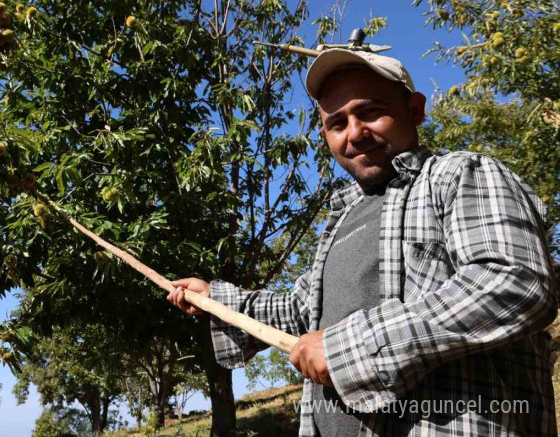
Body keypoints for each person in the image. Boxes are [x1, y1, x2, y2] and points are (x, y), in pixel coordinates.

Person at [167, 49, 557, 437]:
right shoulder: (342, 218)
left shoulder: (460, 175)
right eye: (337, 123)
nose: (354, 133)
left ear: (415, 110)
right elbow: (299, 310)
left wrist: (352, 347)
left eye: (370, 112)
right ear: (326, 136)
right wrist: (214, 298)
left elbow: (513, 282)